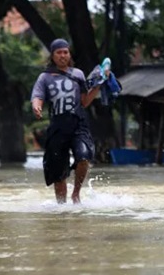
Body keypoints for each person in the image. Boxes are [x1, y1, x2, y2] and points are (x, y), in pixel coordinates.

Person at [30, 38, 102, 204]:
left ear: (69, 54)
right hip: (57, 125)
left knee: (84, 157)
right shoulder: (44, 77)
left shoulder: (78, 74)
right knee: (57, 171)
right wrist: (37, 107)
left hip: (78, 123)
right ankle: (61, 207)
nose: (63, 56)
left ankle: (76, 194)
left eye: (65, 52)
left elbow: (84, 102)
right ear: (53, 55)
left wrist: (98, 86)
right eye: (59, 52)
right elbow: (37, 96)